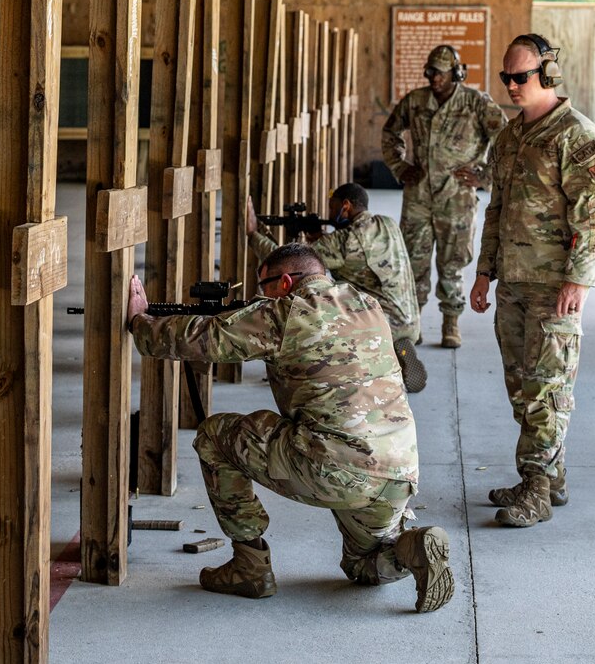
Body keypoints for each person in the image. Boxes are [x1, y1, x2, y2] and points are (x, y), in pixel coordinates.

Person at [127, 243, 454, 612]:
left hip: (334, 468)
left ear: (284, 282)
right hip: (397, 473)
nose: (259, 299)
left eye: (263, 288)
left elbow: (205, 341)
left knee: (214, 436)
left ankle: (249, 566)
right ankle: (410, 548)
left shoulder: (289, 312)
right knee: (363, 566)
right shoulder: (365, 303)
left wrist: (141, 322)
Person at [469, 34, 595, 528]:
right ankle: (552, 475)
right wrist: (484, 271)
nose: (511, 85)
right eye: (505, 77)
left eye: (521, 76)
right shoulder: (509, 137)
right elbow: (497, 210)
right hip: (512, 284)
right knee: (520, 388)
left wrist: (579, 280)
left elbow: (593, 220)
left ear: (548, 74)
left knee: (546, 391)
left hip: (555, 289)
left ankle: (536, 490)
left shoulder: (579, 136)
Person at [382, 44, 507, 349]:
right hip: (419, 196)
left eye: (440, 73)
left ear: (457, 73)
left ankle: (451, 322)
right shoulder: (416, 101)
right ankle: (413, 323)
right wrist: (400, 167)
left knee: (452, 263)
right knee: (413, 263)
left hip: (457, 197)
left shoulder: (476, 103)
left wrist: (484, 176)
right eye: (430, 72)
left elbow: (505, 139)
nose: (434, 78)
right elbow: (391, 133)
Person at [246, 184, 427, 393]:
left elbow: (292, 264)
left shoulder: (343, 241)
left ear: (346, 206)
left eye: (332, 207)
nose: (330, 214)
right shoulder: (387, 224)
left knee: (318, 307)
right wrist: (322, 239)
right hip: (410, 319)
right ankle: (392, 354)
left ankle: (375, 368)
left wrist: (253, 234)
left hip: (380, 322)